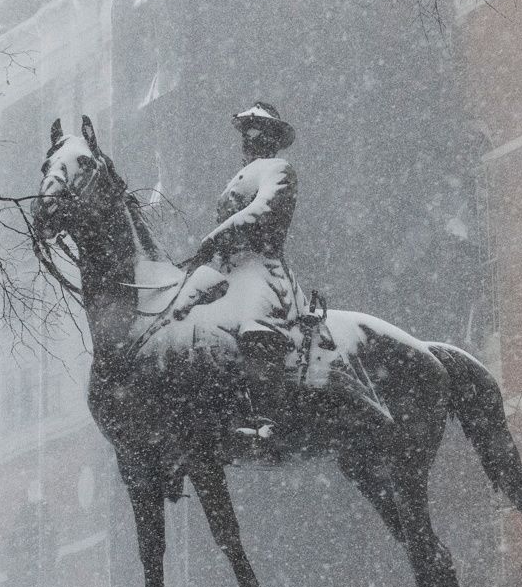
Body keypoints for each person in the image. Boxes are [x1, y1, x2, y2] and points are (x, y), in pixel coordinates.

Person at [162, 102, 389, 430]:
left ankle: (266, 418)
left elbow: (261, 212)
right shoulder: (235, 180)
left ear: (270, 137)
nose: (248, 140)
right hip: (230, 269)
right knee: (189, 314)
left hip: (262, 269)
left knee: (257, 325)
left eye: (255, 132)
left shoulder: (279, 171)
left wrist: (214, 239)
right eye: (245, 133)